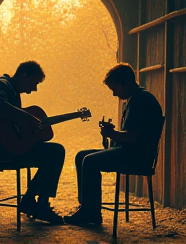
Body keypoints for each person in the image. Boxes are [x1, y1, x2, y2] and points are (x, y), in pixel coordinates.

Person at [64, 62, 163, 225]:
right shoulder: (137, 99)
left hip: (137, 156)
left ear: (124, 83)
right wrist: (114, 133)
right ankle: (86, 207)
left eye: (114, 89)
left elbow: (132, 138)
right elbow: (132, 134)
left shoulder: (141, 101)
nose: (114, 94)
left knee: (89, 161)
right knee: (81, 155)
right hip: (132, 152)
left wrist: (112, 133)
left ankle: (91, 212)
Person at [0, 60, 65, 225]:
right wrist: (28, 119)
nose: (34, 89)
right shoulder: (1, 86)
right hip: (4, 150)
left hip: (10, 147)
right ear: (24, 75)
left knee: (52, 151)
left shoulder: (10, 90)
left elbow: (13, 125)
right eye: (34, 83)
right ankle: (38, 203)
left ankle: (31, 200)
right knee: (56, 152)